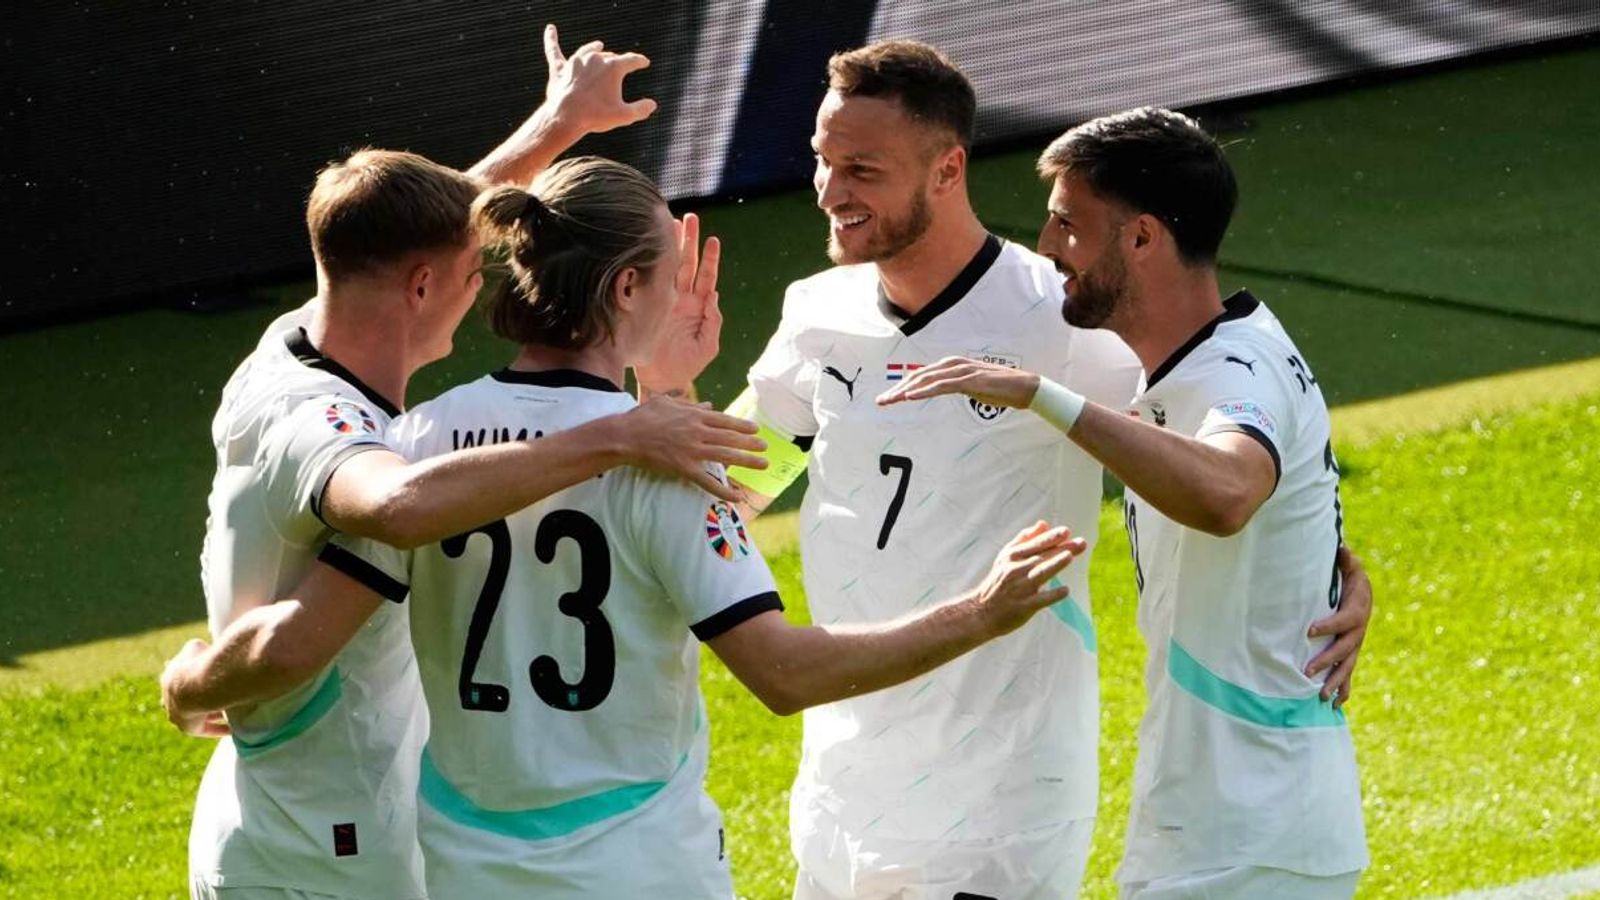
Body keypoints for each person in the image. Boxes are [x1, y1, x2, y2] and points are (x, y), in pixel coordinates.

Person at [640, 40, 1372, 900]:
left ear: (947, 170)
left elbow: (1233, 452)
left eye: (862, 169)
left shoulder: (1069, 321)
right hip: (844, 791)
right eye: (821, 161)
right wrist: (669, 386)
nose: (831, 192)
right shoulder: (817, 315)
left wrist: (1330, 572)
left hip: (1000, 807)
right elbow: (724, 499)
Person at [291, 154, 1093, 899]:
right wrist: (981, 610)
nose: (686, 295)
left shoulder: (416, 440)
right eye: (672, 276)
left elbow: (321, 625)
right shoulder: (670, 466)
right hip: (640, 862)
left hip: (463, 859)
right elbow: (784, 674)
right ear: (629, 290)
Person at [165, 27, 768, 900]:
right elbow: (393, 515)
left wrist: (554, 127)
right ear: (419, 286)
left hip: (277, 812)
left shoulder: (289, 343)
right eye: (468, 269)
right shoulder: (344, 434)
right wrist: (630, 426)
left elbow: (438, 223)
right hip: (332, 844)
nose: (486, 280)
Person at [878, 106, 1370, 898]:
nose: (1048, 248)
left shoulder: (1236, 370)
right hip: (1220, 826)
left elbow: (1229, 492)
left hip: (1253, 837)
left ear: (1141, 238)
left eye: (1068, 225)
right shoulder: (1189, 363)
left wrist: (1042, 396)